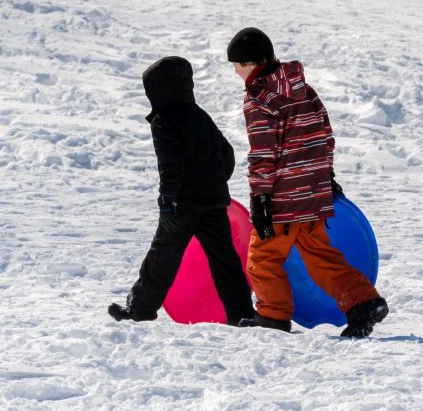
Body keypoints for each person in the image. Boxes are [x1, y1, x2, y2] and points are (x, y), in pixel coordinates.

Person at [226, 27, 388, 338]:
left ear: (248, 63)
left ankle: (272, 317)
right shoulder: (304, 89)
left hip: (283, 198)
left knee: (262, 258)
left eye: (235, 64)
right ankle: (364, 302)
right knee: (318, 254)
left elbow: (263, 153)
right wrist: (325, 176)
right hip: (313, 193)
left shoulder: (259, 97)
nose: (235, 71)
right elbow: (325, 134)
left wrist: (261, 198)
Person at [108, 56, 255, 326]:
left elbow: (170, 167)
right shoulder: (201, 116)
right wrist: (214, 183)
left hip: (183, 204)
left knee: (162, 256)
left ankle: (139, 309)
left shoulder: (164, 121)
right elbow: (227, 153)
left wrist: (167, 203)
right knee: (224, 260)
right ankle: (242, 313)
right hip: (213, 201)